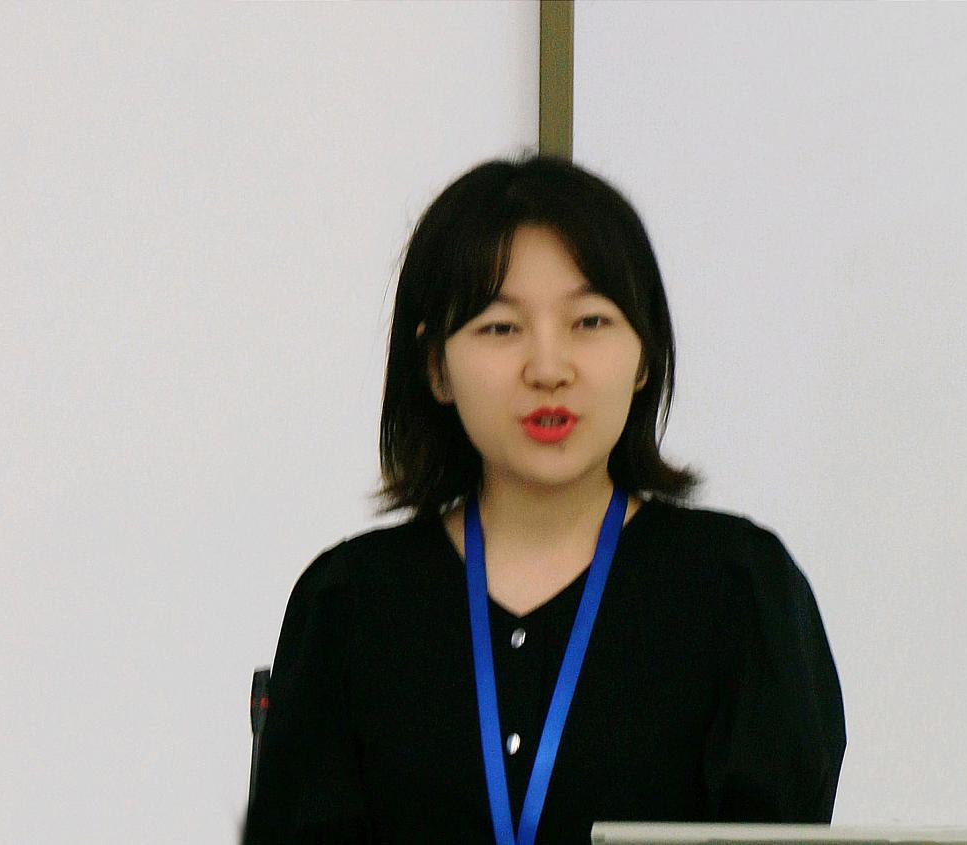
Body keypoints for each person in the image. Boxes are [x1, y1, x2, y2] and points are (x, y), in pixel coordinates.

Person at [243, 155, 845, 845]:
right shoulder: (347, 603)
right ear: (436, 367)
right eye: (500, 328)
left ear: (645, 355)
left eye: (590, 321)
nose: (549, 369)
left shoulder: (741, 590)